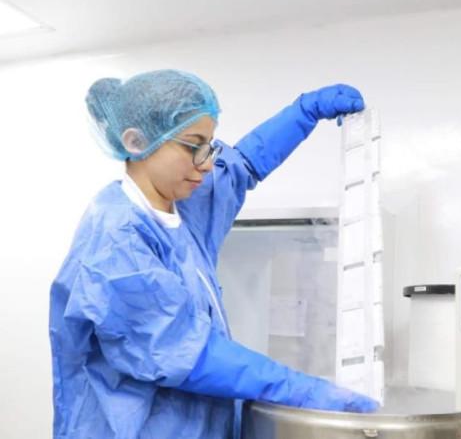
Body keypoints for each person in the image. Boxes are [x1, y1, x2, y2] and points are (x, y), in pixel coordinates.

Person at [48, 69, 378, 439]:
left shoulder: (180, 207)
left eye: (209, 146)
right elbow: (185, 353)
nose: (206, 163)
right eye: (194, 146)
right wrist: (301, 389)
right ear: (137, 141)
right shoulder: (115, 240)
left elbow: (242, 165)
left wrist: (304, 113)